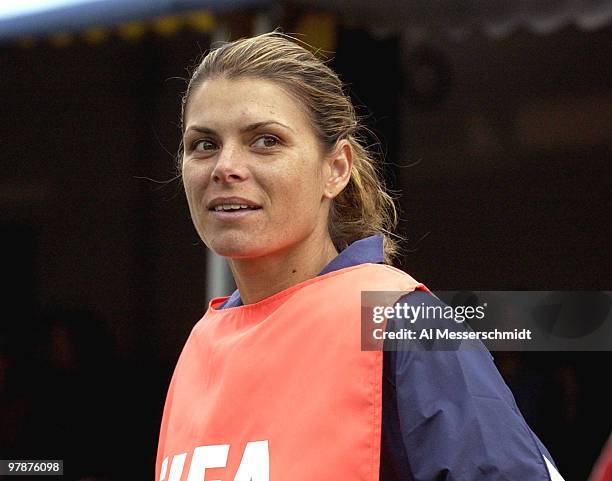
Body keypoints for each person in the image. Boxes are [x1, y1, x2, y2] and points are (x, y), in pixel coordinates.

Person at [155, 31, 564, 481]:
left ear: (336, 169)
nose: (225, 166)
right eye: (204, 144)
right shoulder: (201, 345)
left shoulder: (401, 318)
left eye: (266, 141)